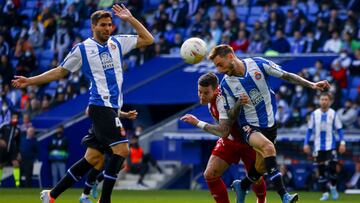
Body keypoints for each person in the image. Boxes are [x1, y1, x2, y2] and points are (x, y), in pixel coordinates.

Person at [12, 4, 154, 203]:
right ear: (93, 27)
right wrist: (30, 80)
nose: (107, 28)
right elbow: (60, 72)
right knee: (122, 151)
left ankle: (51, 196)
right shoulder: (82, 49)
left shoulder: (118, 42)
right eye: (103, 25)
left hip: (111, 109)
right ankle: (104, 200)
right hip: (99, 106)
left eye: (110, 25)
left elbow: (149, 39)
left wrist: (129, 18)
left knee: (93, 158)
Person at [208, 44, 330, 203]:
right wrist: (238, 104)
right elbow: (230, 116)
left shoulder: (258, 64)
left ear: (230, 57)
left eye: (220, 64)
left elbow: (286, 76)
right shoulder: (225, 85)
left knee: (261, 166)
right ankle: (284, 195)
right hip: (249, 126)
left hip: (270, 125)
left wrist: (312, 85)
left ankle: (243, 185)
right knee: (268, 148)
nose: (219, 69)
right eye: (217, 66)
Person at [180, 72, 267, 203]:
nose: (202, 96)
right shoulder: (212, 100)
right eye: (199, 92)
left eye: (205, 93)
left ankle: (261, 200)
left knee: (256, 177)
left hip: (247, 140)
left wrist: (197, 122)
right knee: (210, 174)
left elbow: (223, 131)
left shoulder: (222, 100)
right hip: (230, 141)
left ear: (215, 91)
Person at [80, 109, 138, 203]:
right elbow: (88, 111)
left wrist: (126, 115)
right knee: (96, 161)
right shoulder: (104, 96)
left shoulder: (117, 97)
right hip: (102, 130)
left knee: (121, 165)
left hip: (111, 130)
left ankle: (97, 182)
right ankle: (85, 195)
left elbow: (114, 111)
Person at [303, 92, 345, 201]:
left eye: (326, 99)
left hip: (330, 146)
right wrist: (306, 143)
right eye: (322, 99)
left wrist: (342, 143)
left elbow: (340, 130)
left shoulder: (333, 114)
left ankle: (333, 187)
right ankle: (325, 193)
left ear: (330, 101)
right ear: (319, 100)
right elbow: (309, 130)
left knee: (332, 169)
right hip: (318, 147)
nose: (324, 101)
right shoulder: (314, 114)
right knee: (320, 171)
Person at [0, 113, 21, 187]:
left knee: (16, 164)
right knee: (1, 165)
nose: (15, 119)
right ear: (11, 118)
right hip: (3, 149)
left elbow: (18, 142)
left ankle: (17, 183)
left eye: (16, 118)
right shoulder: (5, 126)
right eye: (13, 118)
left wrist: (18, 152)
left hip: (12, 150)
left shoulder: (17, 129)